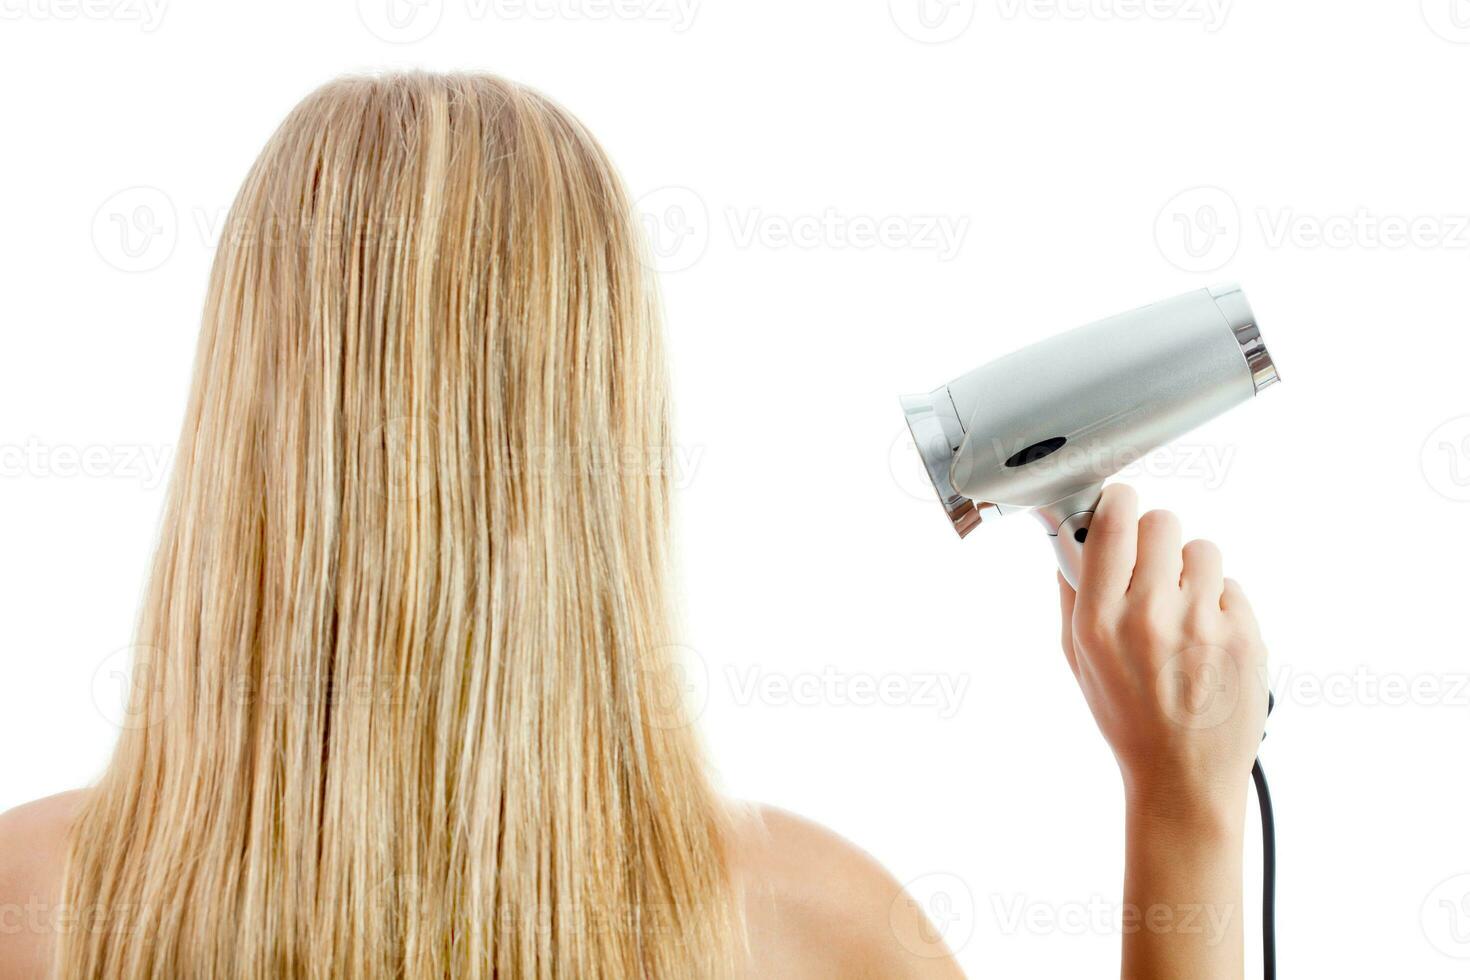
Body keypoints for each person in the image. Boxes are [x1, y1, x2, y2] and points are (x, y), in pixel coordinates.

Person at [0, 72, 1267, 979]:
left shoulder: (32, 906)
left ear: (245, 412)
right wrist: (1183, 806)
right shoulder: (807, 929)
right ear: (605, 430)